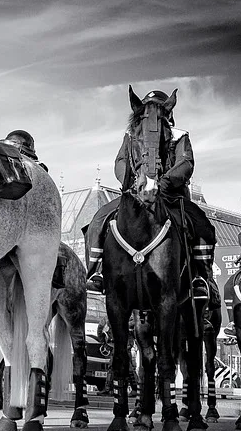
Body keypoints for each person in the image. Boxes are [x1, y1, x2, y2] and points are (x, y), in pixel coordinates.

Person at [82, 90, 220, 327]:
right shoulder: (131, 133)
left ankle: (201, 278)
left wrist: (164, 182)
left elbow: (186, 164)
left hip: (170, 196)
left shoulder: (179, 136)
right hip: (136, 192)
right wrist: (131, 180)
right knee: (98, 220)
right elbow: (121, 161)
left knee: (203, 226)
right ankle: (96, 272)